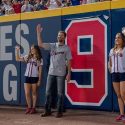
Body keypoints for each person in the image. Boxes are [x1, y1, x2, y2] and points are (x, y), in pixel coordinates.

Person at [36, 24, 72, 118]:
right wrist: (38, 33)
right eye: (58, 35)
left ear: (64, 37)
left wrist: (69, 74)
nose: (59, 36)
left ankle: (59, 111)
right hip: (51, 73)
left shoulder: (66, 48)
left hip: (61, 74)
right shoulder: (52, 45)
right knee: (48, 92)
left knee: (60, 93)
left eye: (61, 35)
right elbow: (40, 44)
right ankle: (47, 111)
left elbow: (69, 61)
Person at [15, 44, 43, 114]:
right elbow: (17, 59)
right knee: (27, 93)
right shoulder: (27, 57)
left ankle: (33, 108)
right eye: (31, 49)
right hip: (27, 77)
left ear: (36, 50)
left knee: (34, 93)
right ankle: (29, 107)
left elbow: (40, 70)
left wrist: (39, 80)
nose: (32, 50)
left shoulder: (39, 59)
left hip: (34, 77)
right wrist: (17, 50)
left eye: (33, 49)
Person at [108, 32, 125, 122]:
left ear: (122, 40)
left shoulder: (124, 49)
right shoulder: (111, 50)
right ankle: (122, 115)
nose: (116, 39)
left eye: (119, 38)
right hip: (114, 74)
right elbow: (110, 62)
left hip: (123, 73)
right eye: (115, 38)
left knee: (123, 94)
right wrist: (110, 69)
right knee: (118, 95)